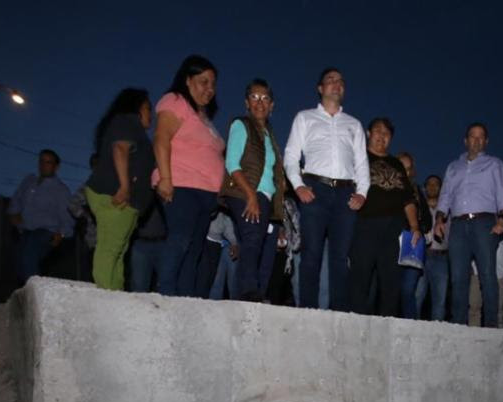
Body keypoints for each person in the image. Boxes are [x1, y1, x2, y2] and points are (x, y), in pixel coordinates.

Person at [283, 67, 369, 311]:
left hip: (345, 193)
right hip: (314, 189)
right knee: (311, 253)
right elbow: (291, 156)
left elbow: (362, 163)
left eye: (340, 80)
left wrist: (362, 192)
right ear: (320, 88)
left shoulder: (354, 124)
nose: (336, 83)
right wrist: (298, 185)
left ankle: (338, 312)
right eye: (330, 80)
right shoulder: (305, 118)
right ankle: (308, 310)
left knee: (340, 257)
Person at [152, 55, 225, 297]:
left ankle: (185, 299)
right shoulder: (176, 101)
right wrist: (165, 179)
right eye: (203, 82)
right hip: (181, 184)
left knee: (194, 250)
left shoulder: (204, 118)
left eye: (213, 84)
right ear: (187, 80)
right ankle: (166, 293)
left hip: (206, 193)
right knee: (180, 239)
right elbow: (161, 138)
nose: (209, 88)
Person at [434, 123, 503, 327]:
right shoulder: (453, 167)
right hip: (458, 225)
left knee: (487, 274)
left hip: (484, 223)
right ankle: (458, 324)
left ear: (486, 141)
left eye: (481, 137)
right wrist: (439, 220)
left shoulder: (494, 164)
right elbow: (445, 195)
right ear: (465, 140)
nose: (476, 140)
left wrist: (502, 220)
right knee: (458, 277)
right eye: (472, 136)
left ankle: (491, 325)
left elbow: (502, 193)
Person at [220, 79, 285, 302]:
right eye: (254, 97)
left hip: (267, 197)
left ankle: (259, 294)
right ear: (247, 103)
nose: (260, 102)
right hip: (245, 192)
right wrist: (250, 195)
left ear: (272, 105)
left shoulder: (269, 134)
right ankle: (247, 292)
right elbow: (232, 164)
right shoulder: (241, 125)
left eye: (265, 98)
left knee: (265, 248)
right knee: (252, 239)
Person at [84, 88, 155, 290]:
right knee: (110, 248)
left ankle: (114, 294)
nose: (151, 114)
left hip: (127, 201)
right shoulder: (127, 121)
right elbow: (120, 148)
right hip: (115, 194)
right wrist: (124, 186)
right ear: (137, 107)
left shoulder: (133, 129)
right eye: (148, 108)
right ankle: (104, 295)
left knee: (119, 250)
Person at [349, 118, 419, 316]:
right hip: (365, 224)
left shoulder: (396, 163)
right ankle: (356, 321)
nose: (382, 135)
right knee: (360, 277)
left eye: (387, 133)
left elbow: (408, 198)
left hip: (394, 228)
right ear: (368, 133)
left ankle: (387, 324)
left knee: (391, 281)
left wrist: (414, 226)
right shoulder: (357, 157)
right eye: (378, 131)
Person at [7, 149, 73, 284]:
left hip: (46, 232)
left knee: (29, 253)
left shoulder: (61, 189)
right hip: (24, 229)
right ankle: (26, 290)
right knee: (19, 263)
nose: (43, 165)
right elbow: (16, 200)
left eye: (48, 162)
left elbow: (67, 217)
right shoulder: (29, 181)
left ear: (56, 167)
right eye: (41, 161)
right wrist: (14, 213)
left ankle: (34, 292)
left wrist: (62, 234)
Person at [395, 152, 435, 319]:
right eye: (401, 167)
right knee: (392, 290)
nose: (405, 171)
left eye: (408, 168)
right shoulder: (388, 189)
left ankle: (409, 325)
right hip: (391, 243)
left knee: (408, 290)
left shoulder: (417, 191)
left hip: (413, 242)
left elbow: (427, 219)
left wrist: (417, 228)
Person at [468, 219, 503, 327]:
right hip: (477, 272)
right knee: (474, 308)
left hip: (498, 273)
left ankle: (496, 335)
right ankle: (473, 335)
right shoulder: (478, 217)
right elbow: (469, 242)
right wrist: (469, 264)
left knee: (498, 310)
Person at [420, 173, 448, 320]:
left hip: (441, 258)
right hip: (421, 256)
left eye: (436, 184)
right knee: (417, 296)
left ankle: (437, 330)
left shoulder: (448, 210)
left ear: (441, 188)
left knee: (440, 301)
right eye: (429, 184)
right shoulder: (417, 207)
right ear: (424, 188)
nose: (432, 186)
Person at [128, 202, 165, 292]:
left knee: (165, 285)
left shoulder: (166, 196)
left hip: (164, 244)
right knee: (139, 287)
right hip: (140, 243)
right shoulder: (137, 196)